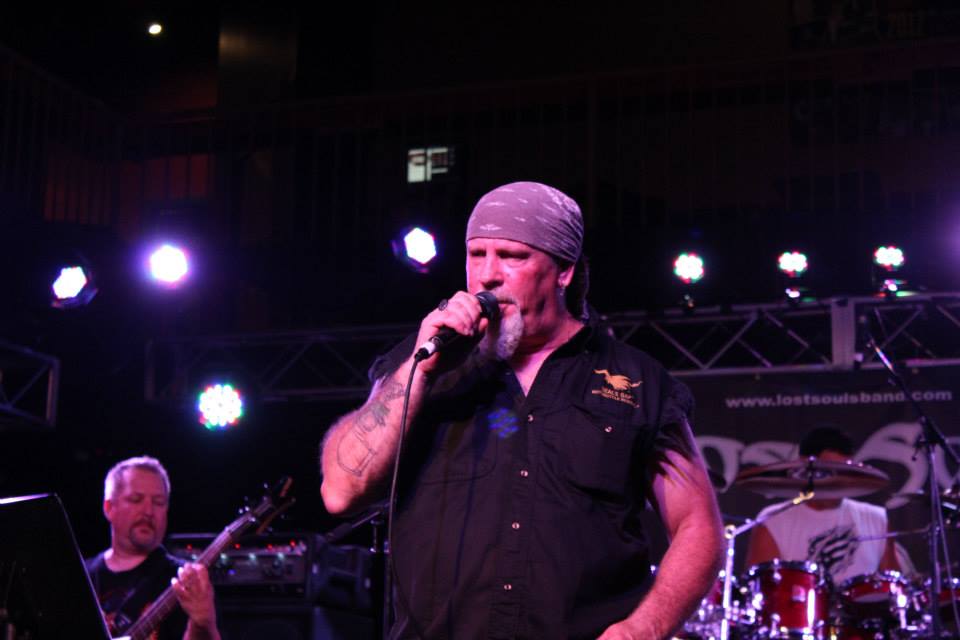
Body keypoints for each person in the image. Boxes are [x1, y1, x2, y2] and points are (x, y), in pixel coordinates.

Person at [320, 181, 724, 639]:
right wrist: (423, 370)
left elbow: (698, 526)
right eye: (477, 255)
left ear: (563, 271)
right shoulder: (421, 364)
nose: (487, 275)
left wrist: (642, 629)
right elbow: (340, 491)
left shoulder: (638, 381)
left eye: (512, 256)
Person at [85, 456, 220, 640]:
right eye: (136, 499)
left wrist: (203, 623)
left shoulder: (188, 582)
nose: (148, 511)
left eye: (158, 502)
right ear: (109, 508)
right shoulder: (81, 576)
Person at [744, 426, 900, 585]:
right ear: (804, 467)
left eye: (843, 471)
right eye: (828, 471)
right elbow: (762, 589)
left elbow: (893, 588)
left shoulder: (876, 518)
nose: (836, 480)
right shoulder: (773, 521)